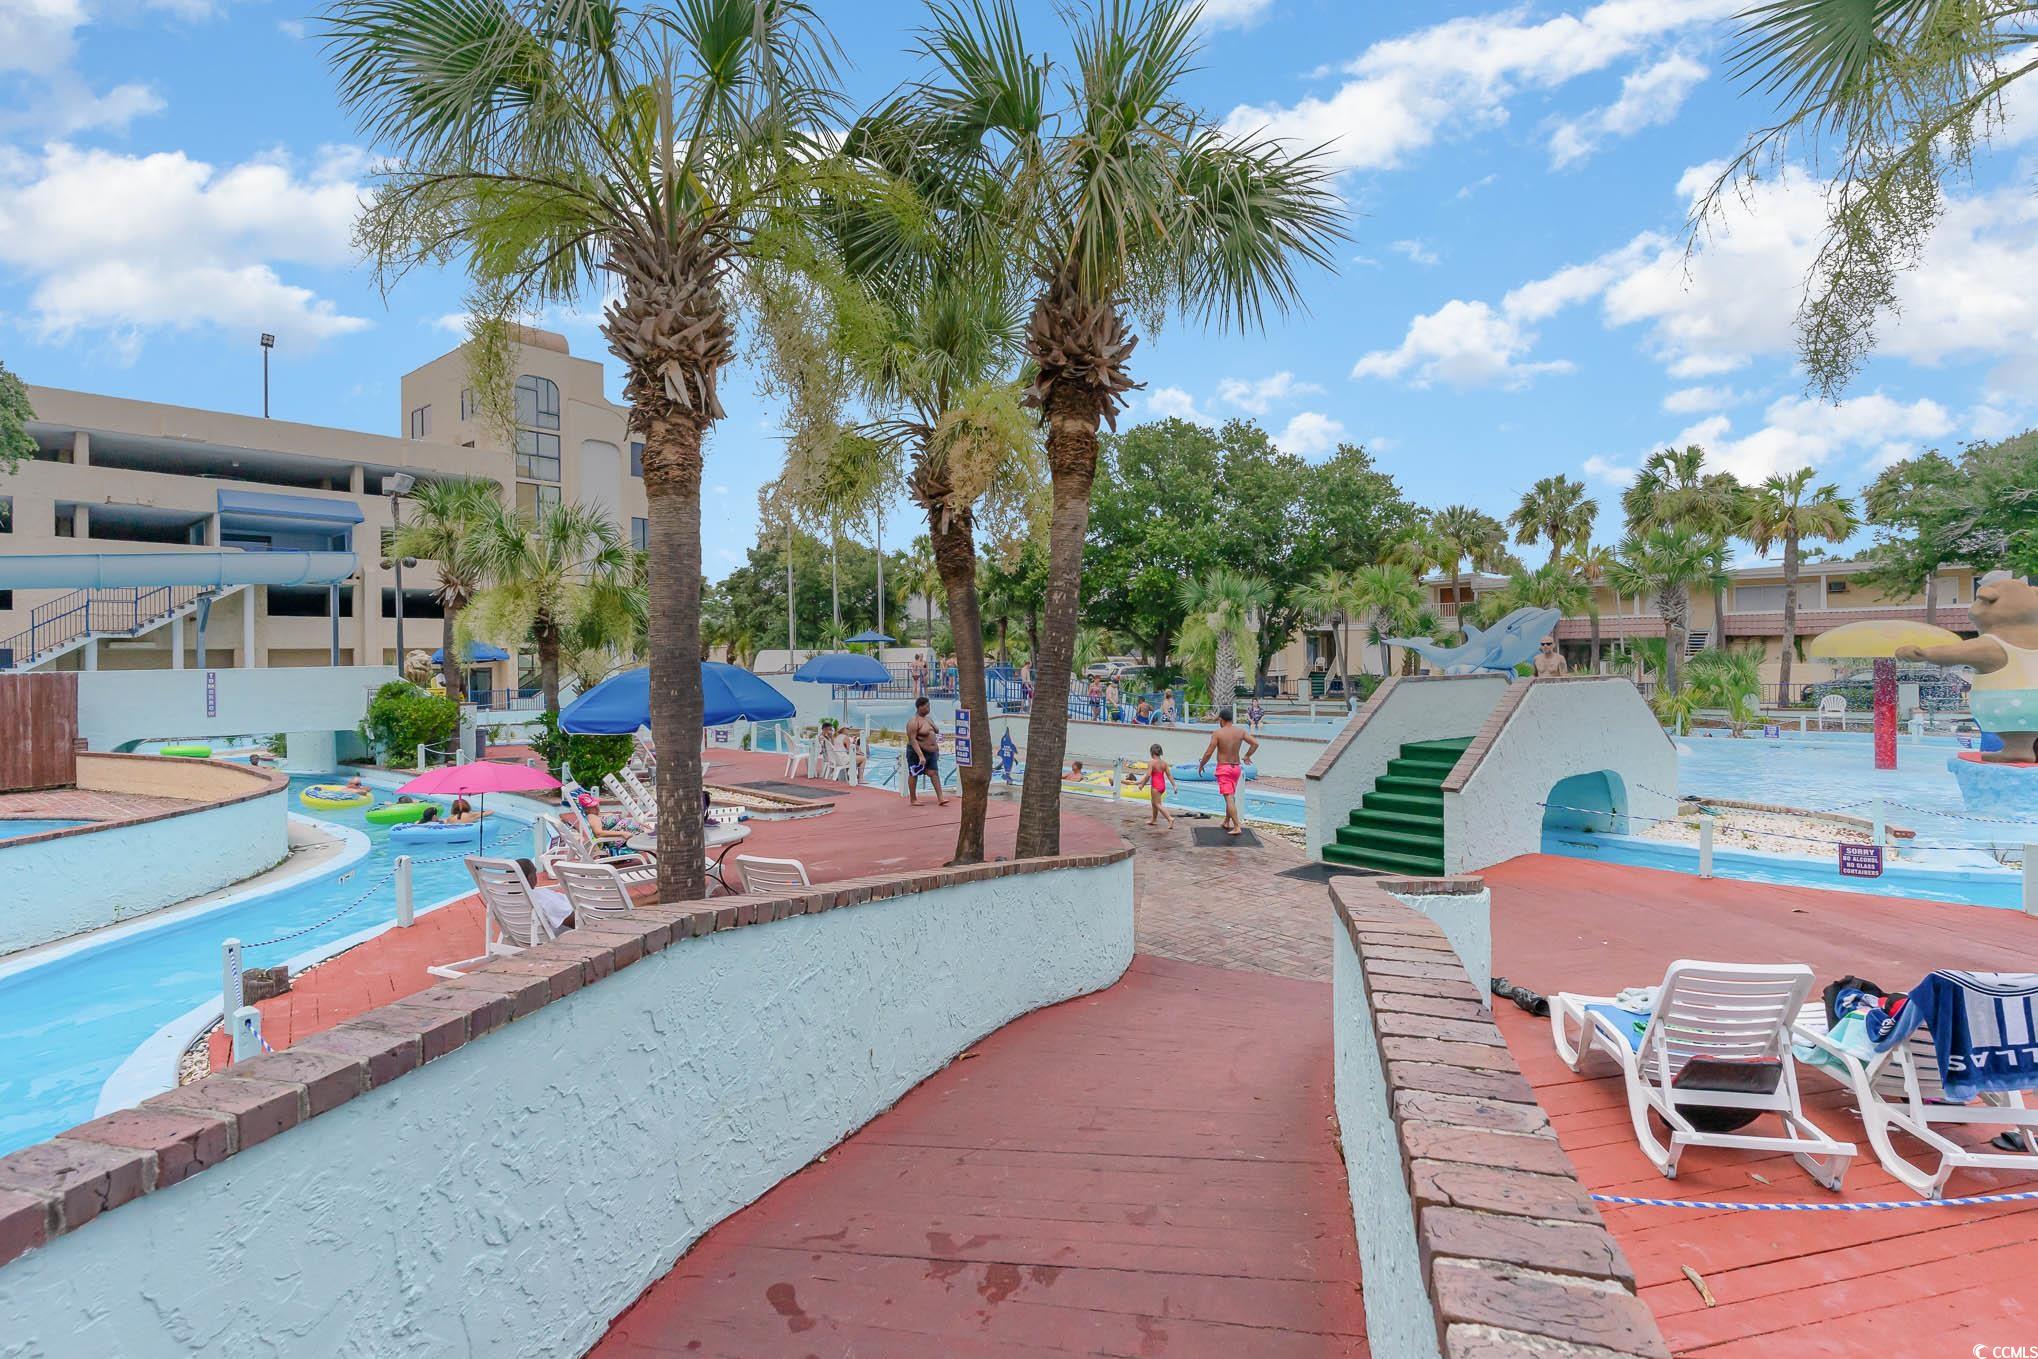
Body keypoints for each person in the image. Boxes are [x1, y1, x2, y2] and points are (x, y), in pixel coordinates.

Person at [1196, 707, 1261, 837]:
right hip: (1236, 768)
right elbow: (1255, 743)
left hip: (1224, 768)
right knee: (1230, 795)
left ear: (1221, 719)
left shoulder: (1218, 733)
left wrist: (1201, 764)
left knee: (1229, 797)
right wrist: (1247, 756)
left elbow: (1209, 752)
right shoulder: (1240, 732)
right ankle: (1226, 821)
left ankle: (1237, 826)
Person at [904, 695, 947, 807]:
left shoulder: (929, 719)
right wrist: (920, 755)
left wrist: (937, 750)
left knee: (934, 773)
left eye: (929, 706)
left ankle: (941, 798)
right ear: (920, 707)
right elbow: (912, 740)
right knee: (914, 773)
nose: (929, 708)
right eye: (927, 706)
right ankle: (913, 799)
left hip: (931, 752)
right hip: (917, 752)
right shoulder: (913, 722)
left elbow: (936, 732)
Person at [514, 858, 574, 935]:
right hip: (556, 935)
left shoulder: (503, 899)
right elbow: (572, 921)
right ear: (531, 877)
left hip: (521, 936)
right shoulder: (541, 899)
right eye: (534, 872)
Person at [1139, 744, 1175, 831]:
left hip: (1156, 786)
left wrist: (1142, 784)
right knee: (1154, 802)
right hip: (1162, 786)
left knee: (1157, 804)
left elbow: (1148, 775)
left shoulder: (1152, 762)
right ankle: (1154, 820)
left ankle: (1169, 818)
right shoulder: (1164, 763)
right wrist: (1174, 785)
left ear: (1151, 752)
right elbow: (1169, 775)